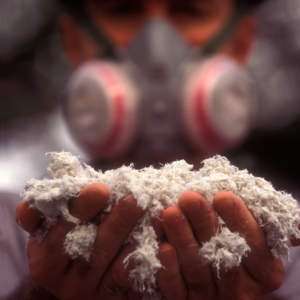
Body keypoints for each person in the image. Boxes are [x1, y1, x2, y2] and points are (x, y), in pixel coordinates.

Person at [12, 0, 299, 299]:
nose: (157, 46)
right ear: (74, 42)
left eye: (189, 10)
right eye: (123, 10)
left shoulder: (286, 232)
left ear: (240, 42)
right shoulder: (11, 228)